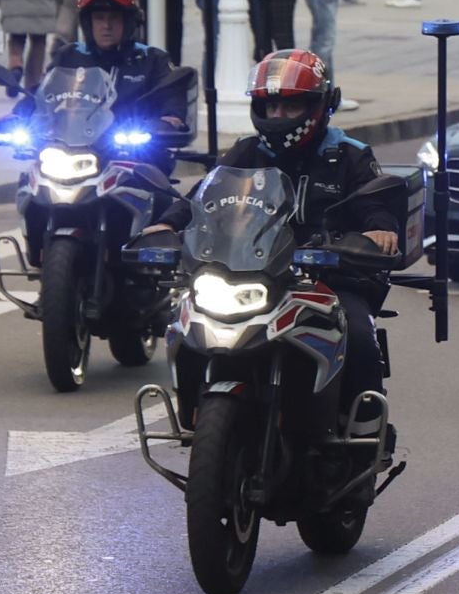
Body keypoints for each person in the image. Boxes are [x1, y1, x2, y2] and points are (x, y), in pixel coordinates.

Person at [151, 49, 402, 449]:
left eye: (291, 105)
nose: (280, 114)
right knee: (187, 317)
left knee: (357, 333)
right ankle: (195, 414)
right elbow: (203, 196)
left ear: (320, 105)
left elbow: (376, 205)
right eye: (271, 105)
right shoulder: (247, 153)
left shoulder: (348, 154)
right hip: (250, 273)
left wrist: (379, 231)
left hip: (327, 277)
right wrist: (167, 223)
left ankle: (364, 435)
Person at [42, 0, 190, 125]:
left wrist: (168, 120)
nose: (106, 25)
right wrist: (21, 115)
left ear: (128, 22)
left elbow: (172, 103)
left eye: (114, 17)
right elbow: (42, 95)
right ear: (88, 23)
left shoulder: (153, 59)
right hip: (70, 143)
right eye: (99, 18)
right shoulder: (69, 55)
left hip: (135, 145)